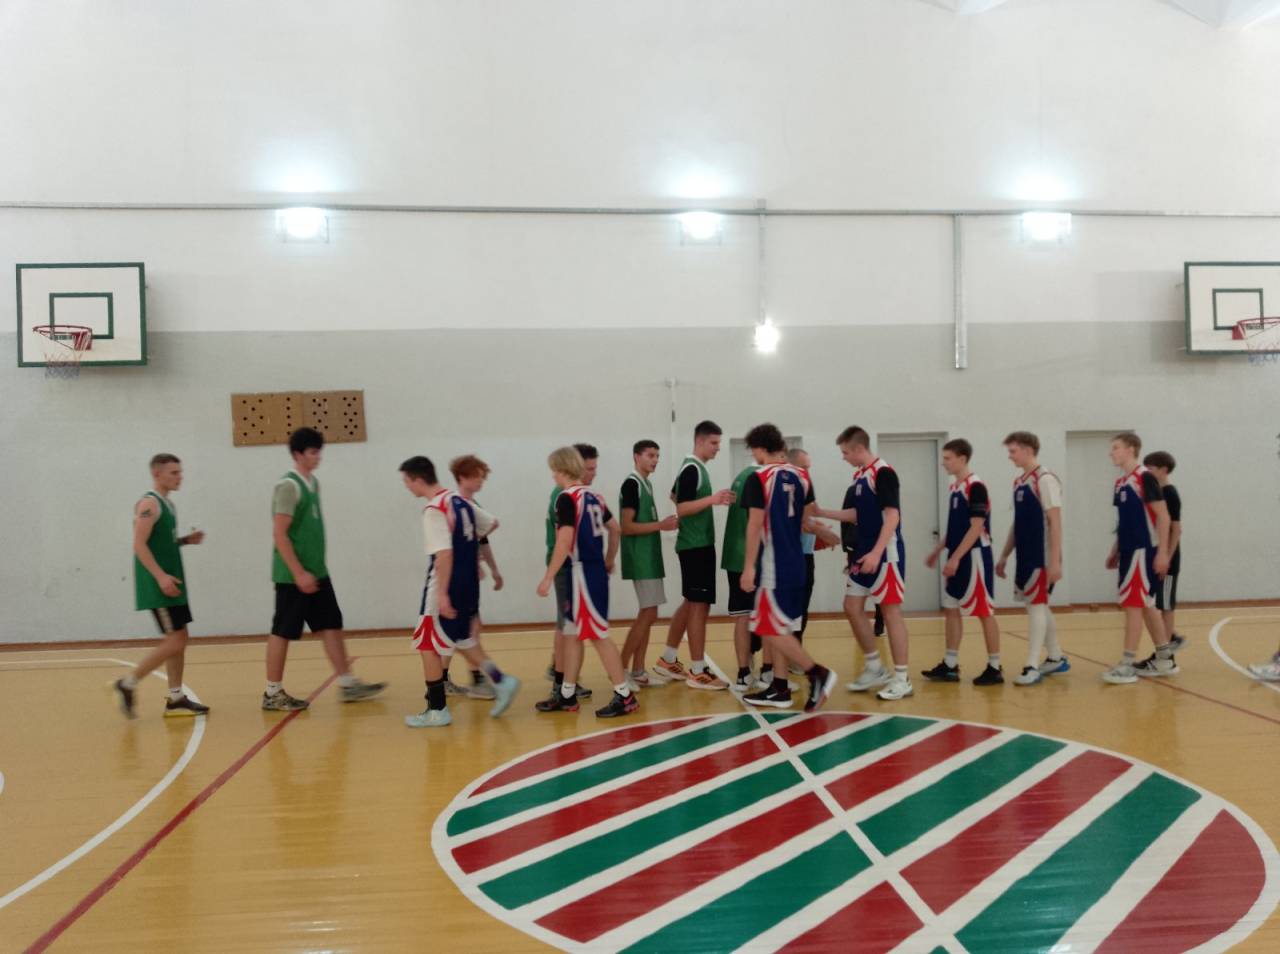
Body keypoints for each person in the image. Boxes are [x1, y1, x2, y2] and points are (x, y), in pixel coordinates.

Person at [264, 427, 385, 711]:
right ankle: (272, 693)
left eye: (319, 451)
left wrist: (312, 571)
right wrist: (298, 573)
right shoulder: (288, 486)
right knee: (283, 630)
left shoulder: (313, 483)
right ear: (298, 454)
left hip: (317, 572)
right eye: (313, 452)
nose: (318, 457)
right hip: (293, 576)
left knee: (331, 624)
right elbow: (279, 534)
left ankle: (347, 683)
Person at [401, 456, 520, 727]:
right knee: (464, 640)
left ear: (418, 480)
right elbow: (491, 524)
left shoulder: (434, 509)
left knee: (428, 644)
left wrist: (442, 594)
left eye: (407, 481)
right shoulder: (460, 501)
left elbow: (444, 554)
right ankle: (502, 681)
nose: (407, 486)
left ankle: (437, 709)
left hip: (445, 584)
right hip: (469, 584)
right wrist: (469, 552)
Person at [737, 424, 837, 711]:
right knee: (783, 627)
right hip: (798, 562)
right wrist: (824, 532)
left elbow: (754, 525)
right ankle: (780, 688)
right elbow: (807, 518)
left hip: (775, 564)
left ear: (759, 448)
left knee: (765, 626)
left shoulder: (758, 478)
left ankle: (817, 673)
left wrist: (748, 568)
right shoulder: (802, 476)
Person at [536, 446, 638, 717]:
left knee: (598, 635)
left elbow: (564, 541)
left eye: (553, 471)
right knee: (571, 634)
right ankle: (567, 694)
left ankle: (624, 695)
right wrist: (608, 559)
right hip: (590, 571)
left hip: (582, 573)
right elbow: (615, 529)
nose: (553, 476)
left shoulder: (567, 498)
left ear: (561, 470)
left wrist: (548, 577)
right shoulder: (593, 496)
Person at [815, 426, 913, 701]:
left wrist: (876, 553)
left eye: (845, 452)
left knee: (890, 611)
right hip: (863, 552)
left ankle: (902, 678)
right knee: (851, 606)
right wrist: (822, 512)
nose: (843, 457)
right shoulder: (861, 476)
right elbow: (858, 514)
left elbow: (892, 516)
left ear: (859, 448)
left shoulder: (884, 473)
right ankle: (874, 667)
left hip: (886, 554)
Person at [113, 453, 211, 719]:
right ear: (157, 474)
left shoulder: (168, 505)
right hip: (160, 585)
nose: (180, 477)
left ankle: (176, 698)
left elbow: (161, 543)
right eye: (173, 473)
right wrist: (160, 577)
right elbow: (139, 544)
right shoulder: (150, 504)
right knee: (175, 639)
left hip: (173, 582)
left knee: (180, 639)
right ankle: (128, 683)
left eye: (180, 472)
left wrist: (185, 541)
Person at [656, 420, 734, 690]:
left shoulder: (693, 468)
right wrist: (712, 500)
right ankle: (698, 670)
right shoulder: (692, 468)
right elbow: (682, 506)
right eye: (714, 443)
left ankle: (667, 659)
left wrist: (694, 510)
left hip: (696, 544)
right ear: (700, 441)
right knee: (700, 605)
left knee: (692, 602)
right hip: (696, 545)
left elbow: (674, 494)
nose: (717, 448)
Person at [921, 439, 1003, 685]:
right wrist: (938, 550)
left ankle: (995, 667)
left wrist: (956, 558)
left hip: (975, 557)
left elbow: (976, 528)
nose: (943, 463)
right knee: (951, 608)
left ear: (962, 459)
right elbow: (956, 528)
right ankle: (950, 665)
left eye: (947, 458)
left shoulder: (975, 487)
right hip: (957, 556)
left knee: (984, 612)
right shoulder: (956, 487)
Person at [995, 431, 1069, 686]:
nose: (1010, 456)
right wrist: (1004, 555)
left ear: (1028, 450)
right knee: (1037, 605)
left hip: (1042, 556)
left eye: (1013, 451)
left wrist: (1055, 561)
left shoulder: (1045, 480)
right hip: (1024, 555)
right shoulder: (1019, 482)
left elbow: (1055, 523)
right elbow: (1017, 524)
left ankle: (1031, 665)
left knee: (1036, 606)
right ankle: (1056, 656)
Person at [1102, 432, 1176, 684]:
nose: (1111, 452)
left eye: (1116, 447)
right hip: (1128, 550)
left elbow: (1163, 517)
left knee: (1132, 605)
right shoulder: (1120, 483)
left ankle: (1126, 664)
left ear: (1131, 449)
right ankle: (1164, 658)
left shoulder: (1144, 477)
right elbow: (1124, 522)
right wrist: (1115, 549)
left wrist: (1163, 553)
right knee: (1145, 603)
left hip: (1143, 551)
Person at [617, 440, 679, 688]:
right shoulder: (632, 484)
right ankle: (620, 670)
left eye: (657, 456)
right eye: (650, 455)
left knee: (648, 614)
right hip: (640, 557)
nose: (655, 460)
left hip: (650, 557)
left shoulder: (646, 484)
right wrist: (661, 525)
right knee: (649, 614)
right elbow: (627, 526)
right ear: (636, 456)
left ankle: (638, 670)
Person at [443, 454, 503, 701]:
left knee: (467, 630)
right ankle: (481, 679)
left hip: (468, 577)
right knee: (459, 632)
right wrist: (467, 560)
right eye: (477, 476)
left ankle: (475, 679)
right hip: (455, 579)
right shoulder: (451, 505)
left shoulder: (472, 506)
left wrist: (494, 569)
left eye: (482, 477)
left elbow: (483, 540)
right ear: (462, 477)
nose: (481, 481)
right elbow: (446, 548)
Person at [543, 442, 598, 702]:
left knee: (571, 626)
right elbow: (563, 540)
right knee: (566, 625)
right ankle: (560, 679)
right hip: (565, 566)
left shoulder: (580, 494)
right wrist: (549, 576)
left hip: (577, 565)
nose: (592, 474)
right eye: (589, 468)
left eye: (595, 468)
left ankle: (564, 677)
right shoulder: (564, 495)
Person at [724, 457, 761, 692]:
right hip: (751, 558)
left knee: (743, 616)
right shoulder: (761, 478)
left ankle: (744, 673)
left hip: (734, 556)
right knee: (764, 616)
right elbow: (757, 523)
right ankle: (768, 671)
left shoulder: (741, 476)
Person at [1143, 451, 1186, 654]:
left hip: (1169, 559)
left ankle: (1166, 651)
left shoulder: (1170, 493)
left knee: (1166, 605)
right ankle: (1172, 637)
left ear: (1163, 470)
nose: (1147, 472)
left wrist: (1167, 556)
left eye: (1150, 468)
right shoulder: (1155, 493)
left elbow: (1176, 529)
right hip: (1155, 556)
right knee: (1154, 602)